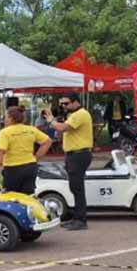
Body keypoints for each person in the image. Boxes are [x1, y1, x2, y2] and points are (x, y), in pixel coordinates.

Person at [50, 92, 93, 231]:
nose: (64, 106)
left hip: (78, 155)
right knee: (75, 187)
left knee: (77, 188)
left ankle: (81, 219)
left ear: (75, 102)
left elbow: (62, 128)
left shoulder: (80, 114)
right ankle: (77, 217)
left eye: (66, 103)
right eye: (62, 104)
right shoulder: (72, 115)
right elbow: (62, 132)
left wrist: (51, 120)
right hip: (74, 155)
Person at [0, 106, 51, 195]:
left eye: (6, 117)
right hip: (30, 166)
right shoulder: (31, 129)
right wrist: (36, 157)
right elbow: (47, 141)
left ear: (10, 118)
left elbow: (0, 151)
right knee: (28, 196)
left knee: (11, 196)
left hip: (13, 169)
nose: (4, 120)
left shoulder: (5, 132)